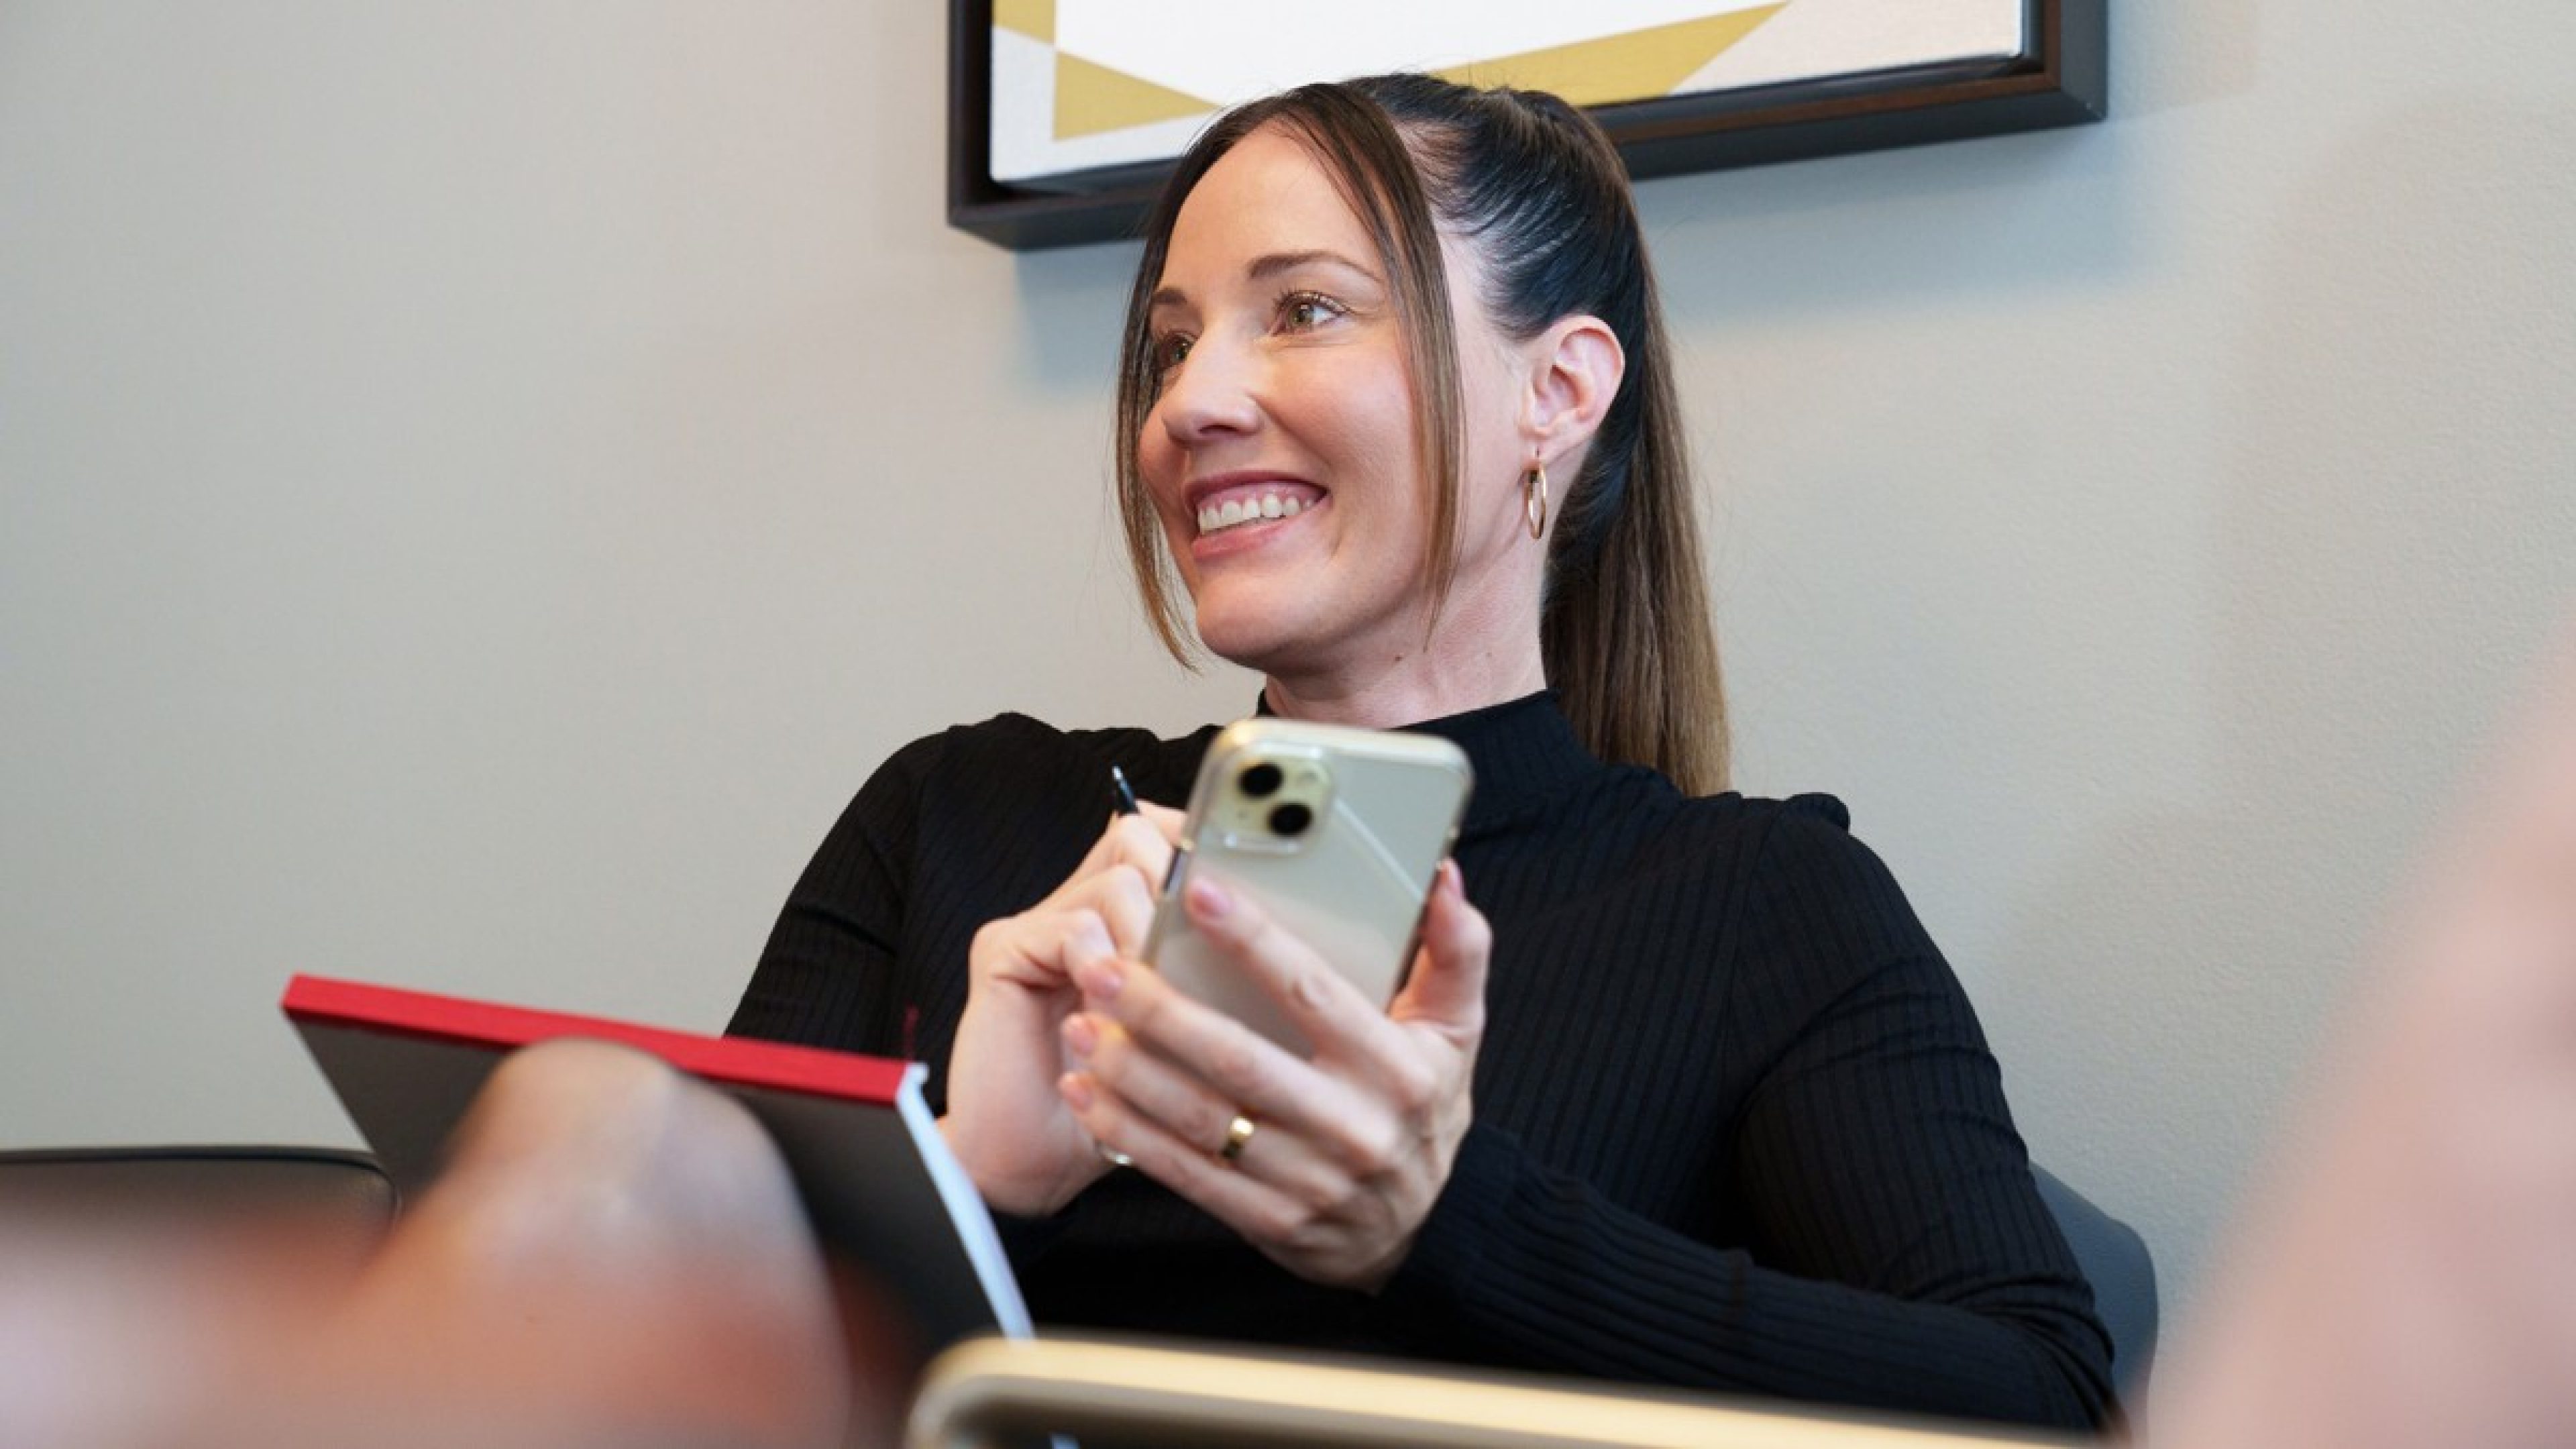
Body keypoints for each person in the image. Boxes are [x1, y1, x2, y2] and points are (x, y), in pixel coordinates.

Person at [729, 74, 2114, 1432]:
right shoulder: (958, 819)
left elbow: (2043, 1401)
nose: (1187, 406)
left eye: (1306, 310)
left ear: (1558, 391)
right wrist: (969, 1178)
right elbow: (647, 1344)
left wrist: (1447, 1218)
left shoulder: (1760, 905)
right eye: (1170, 344)